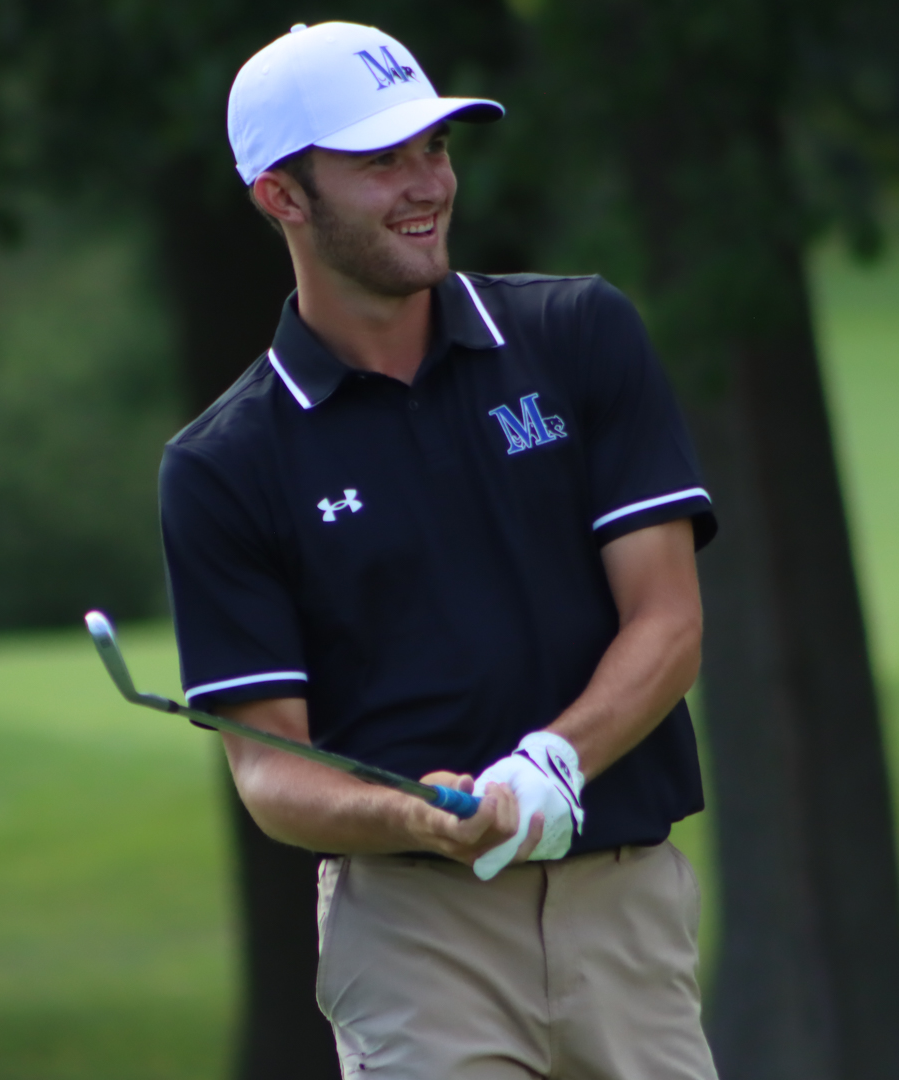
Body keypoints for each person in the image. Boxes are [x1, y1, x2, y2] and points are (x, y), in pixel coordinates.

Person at [159, 20, 720, 1079]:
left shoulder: (577, 335)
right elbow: (271, 770)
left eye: (435, 148)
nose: (427, 184)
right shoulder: (226, 464)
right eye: (381, 161)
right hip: (414, 936)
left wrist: (555, 761)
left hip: (624, 912)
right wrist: (413, 815)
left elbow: (668, 620)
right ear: (282, 196)